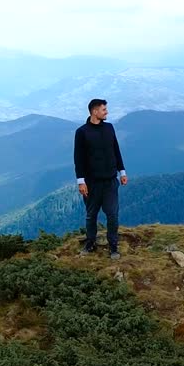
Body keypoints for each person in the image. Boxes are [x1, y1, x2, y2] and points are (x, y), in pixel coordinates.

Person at [73, 98, 127, 259]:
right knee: (91, 215)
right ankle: (90, 244)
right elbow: (78, 158)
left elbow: (116, 150)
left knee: (112, 215)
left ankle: (113, 246)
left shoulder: (109, 128)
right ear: (94, 111)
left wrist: (122, 172)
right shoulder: (82, 132)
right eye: (104, 109)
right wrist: (80, 181)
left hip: (110, 181)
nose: (107, 112)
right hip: (91, 182)